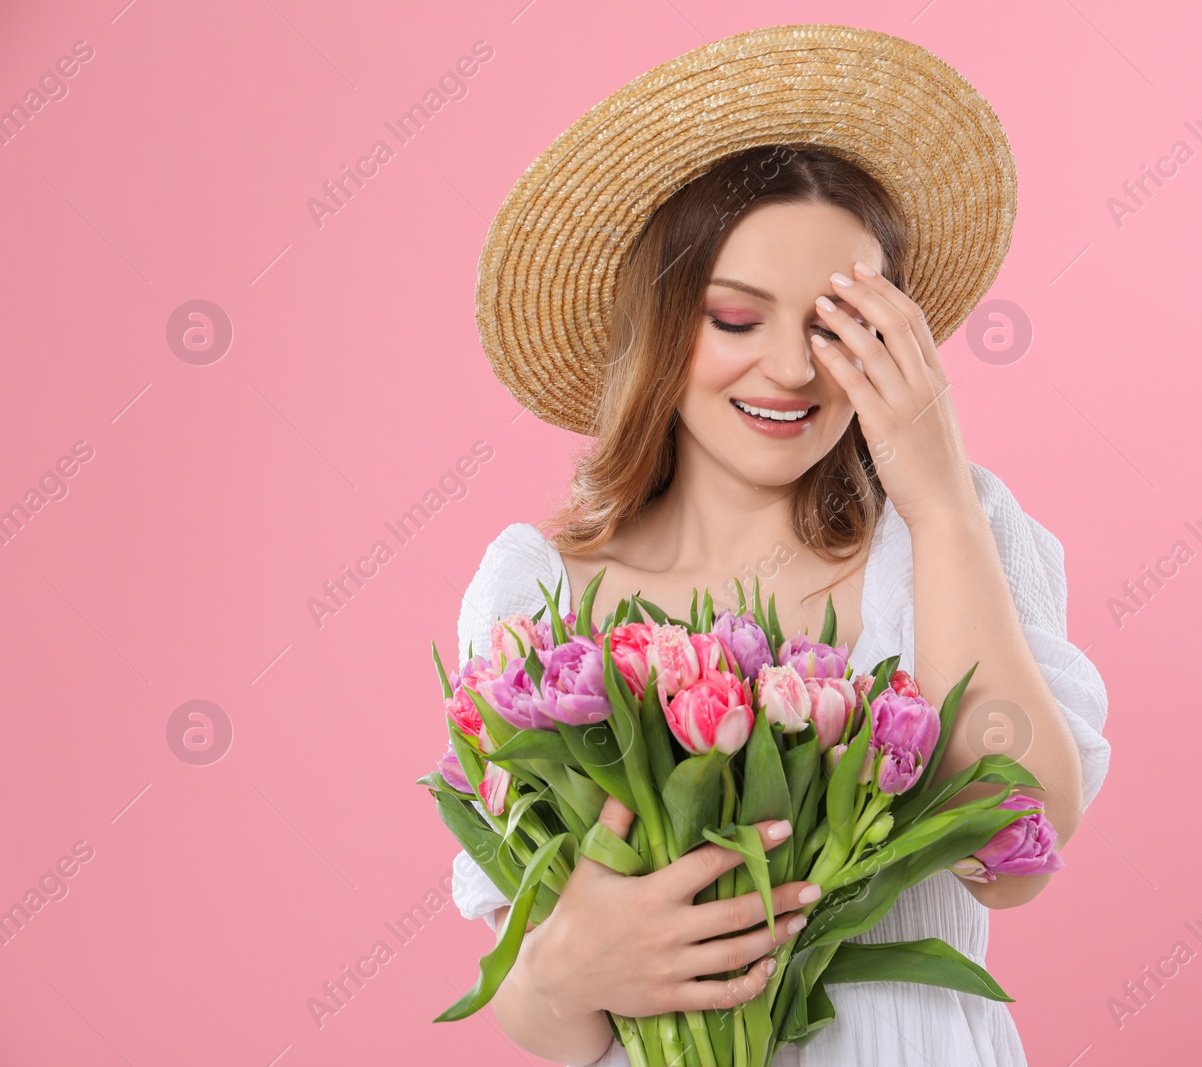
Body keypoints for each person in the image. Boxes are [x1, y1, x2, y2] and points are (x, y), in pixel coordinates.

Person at [451, 25, 1111, 1066]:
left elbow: (1015, 849)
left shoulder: (942, 542)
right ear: (662, 322)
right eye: (735, 317)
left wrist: (935, 495)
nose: (793, 369)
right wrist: (561, 971)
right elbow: (541, 1017)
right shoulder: (544, 598)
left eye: (839, 325)